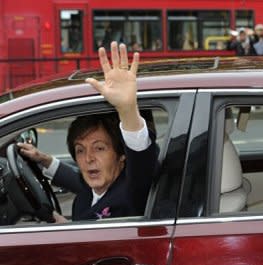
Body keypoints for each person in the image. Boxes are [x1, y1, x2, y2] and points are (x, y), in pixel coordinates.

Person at [18, 41, 159, 222]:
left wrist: (127, 109)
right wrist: (44, 160)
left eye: (99, 148)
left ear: (121, 156)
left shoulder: (133, 194)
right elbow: (78, 181)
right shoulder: (87, 196)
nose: (88, 158)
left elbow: (141, 157)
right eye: (80, 150)